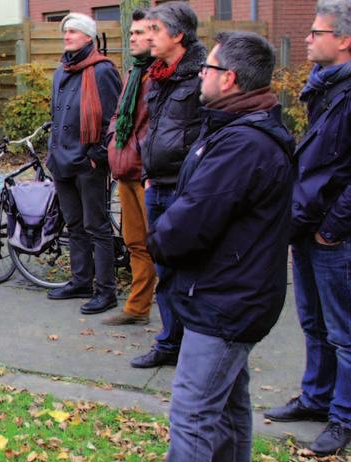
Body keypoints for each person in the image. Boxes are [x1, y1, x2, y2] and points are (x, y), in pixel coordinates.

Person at [147, 32, 293, 462]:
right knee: (228, 404)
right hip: (231, 291)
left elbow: (193, 219)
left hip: (227, 299)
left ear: (228, 79)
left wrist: (157, 241)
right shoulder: (236, 128)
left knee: (193, 412)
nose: (200, 77)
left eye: (207, 69)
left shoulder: (243, 143)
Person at [264, 0, 351, 456]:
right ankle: (315, 398)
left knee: (345, 330)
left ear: (344, 40)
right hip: (308, 224)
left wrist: (333, 230)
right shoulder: (327, 84)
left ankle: (344, 418)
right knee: (314, 323)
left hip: (337, 233)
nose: (307, 38)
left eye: (316, 31)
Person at [130, 1, 207, 369]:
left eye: (155, 30)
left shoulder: (202, 76)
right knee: (164, 267)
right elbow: (155, 129)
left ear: (178, 35)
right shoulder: (158, 74)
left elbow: (208, 135)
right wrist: (146, 171)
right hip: (156, 183)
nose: (148, 37)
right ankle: (169, 342)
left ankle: (193, 345)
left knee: (188, 270)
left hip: (183, 187)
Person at [44, 13, 122, 315]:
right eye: (65, 31)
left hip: (87, 163)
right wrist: (52, 155)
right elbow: (56, 116)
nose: (67, 35)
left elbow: (111, 120)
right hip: (61, 162)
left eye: (74, 31)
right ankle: (81, 281)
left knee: (96, 227)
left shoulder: (102, 71)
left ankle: (106, 291)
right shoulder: (61, 70)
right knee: (74, 225)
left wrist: (96, 157)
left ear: (89, 37)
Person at [101, 9, 158, 326]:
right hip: (126, 169)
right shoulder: (135, 73)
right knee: (135, 242)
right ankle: (137, 308)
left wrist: (137, 150)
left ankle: (175, 317)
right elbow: (118, 115)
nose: (132, 38)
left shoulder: (162, 75)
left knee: (159, 244)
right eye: (131, 33)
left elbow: (162, 127)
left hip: (148, 173)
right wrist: (114, 140)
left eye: (139, 33)